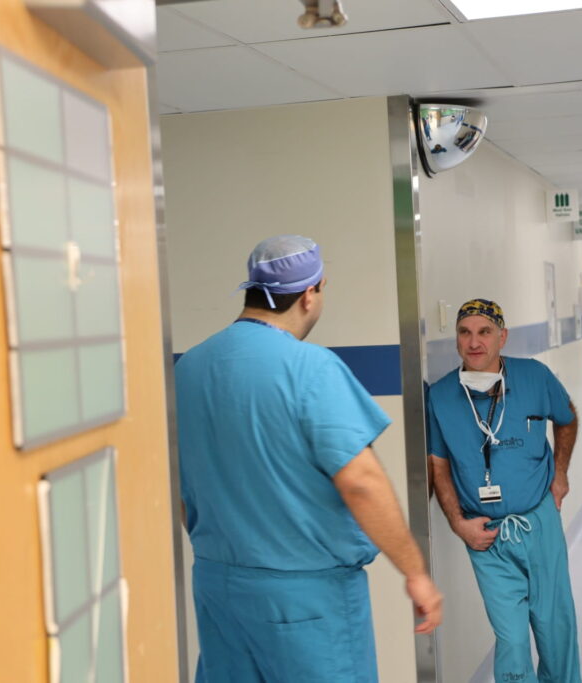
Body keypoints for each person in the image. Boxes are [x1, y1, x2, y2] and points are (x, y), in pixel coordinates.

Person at [176, 235, 443, 683]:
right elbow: (361, 481)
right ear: (309, 293)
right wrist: (415, 572)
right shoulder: (311, 368)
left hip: (219, 586)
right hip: (306, 598)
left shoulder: (190, 368)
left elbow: (180, 484)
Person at [426, 298, 581, 682]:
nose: (474, 342)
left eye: (484, 332)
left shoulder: (534, 377)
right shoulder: (441, 396)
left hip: (538, 521)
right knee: (510, 638)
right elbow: (439, 466)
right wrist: (458, 524)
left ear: (502, 338)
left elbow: (567, 417)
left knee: (554, 628)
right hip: (486, 535)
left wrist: (559, 474)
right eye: (465, 332)